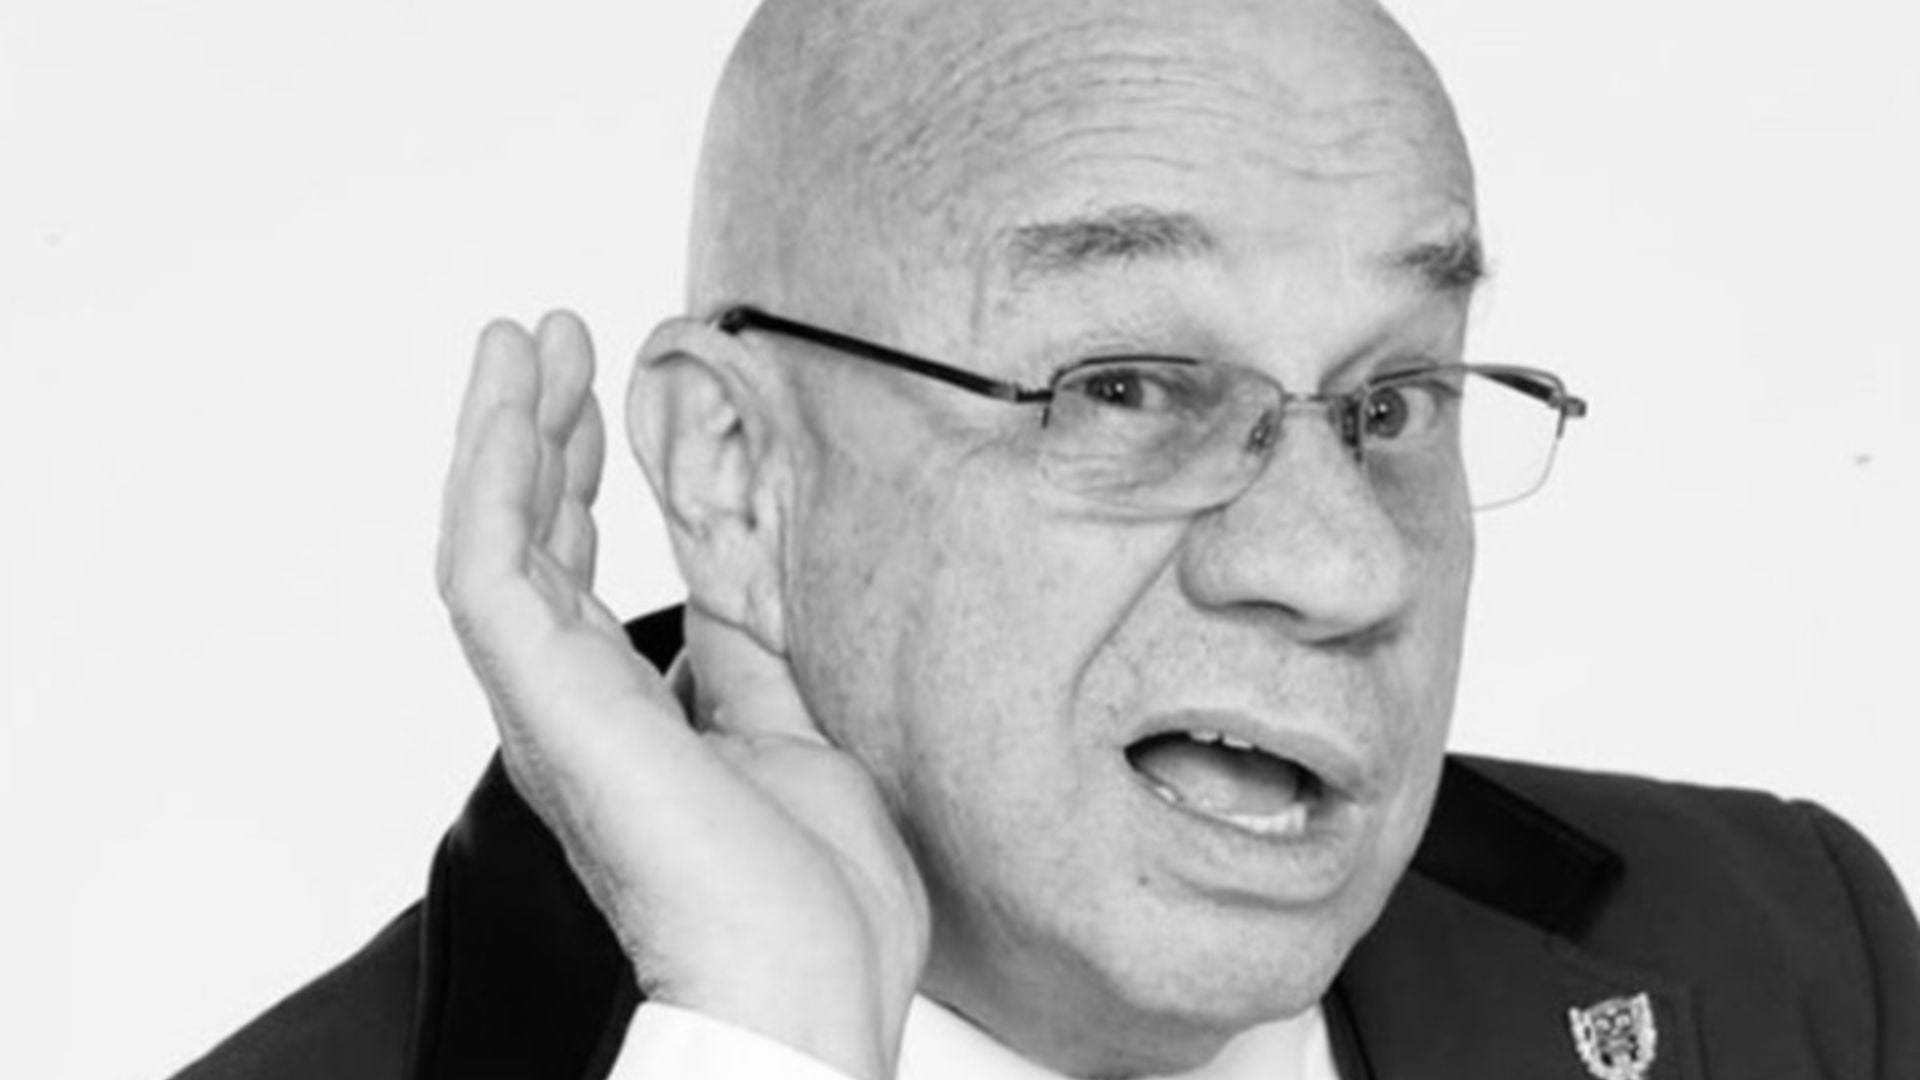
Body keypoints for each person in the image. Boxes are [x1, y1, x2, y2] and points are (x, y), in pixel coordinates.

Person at [171, 0, 1920, 1077]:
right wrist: (761, 1039)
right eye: (1127, 388)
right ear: (737, 474)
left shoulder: (1792, 956)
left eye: (1394, 401)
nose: (1347, 565)